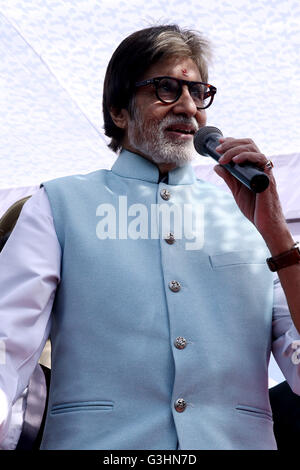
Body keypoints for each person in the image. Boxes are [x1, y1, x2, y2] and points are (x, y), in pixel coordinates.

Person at [0, 24, 299, 450]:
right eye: (166, 89)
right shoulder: (58, 204)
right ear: (119, 111)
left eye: (198, 93)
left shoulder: (250, 215)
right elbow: (6, 344)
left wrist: (280, 242)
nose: (188, 107)